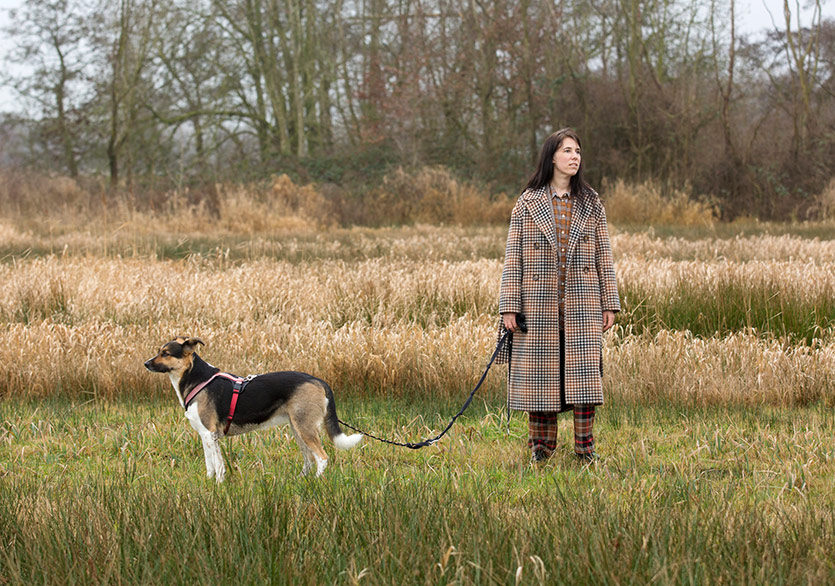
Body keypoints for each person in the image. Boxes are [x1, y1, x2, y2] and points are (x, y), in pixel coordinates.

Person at [497, 128, 620, 463]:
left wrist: (610, 303)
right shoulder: (527, 202)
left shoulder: (592, 202)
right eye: (567, 150)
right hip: (537, 308)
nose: (575, 157)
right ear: (551, 156)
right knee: (541, 381)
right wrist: (509, 307)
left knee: (583, 381)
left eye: (578, 151)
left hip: (583, 307)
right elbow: (513, 258)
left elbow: (604, 257)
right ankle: (541, 448)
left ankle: (585, 449)